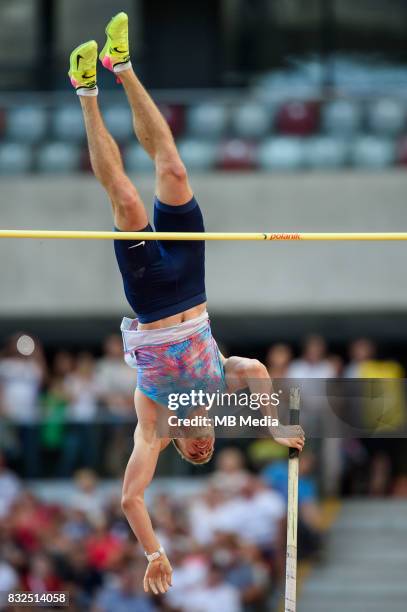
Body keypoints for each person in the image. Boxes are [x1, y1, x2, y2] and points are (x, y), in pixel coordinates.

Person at [69, 12, 304, 596]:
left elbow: (130, 496)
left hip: (151, 301)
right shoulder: (222, 391)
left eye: (191, 451)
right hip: (194, 286)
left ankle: (86, 90)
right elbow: (250, 368)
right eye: (209, 449)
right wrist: (273, 422)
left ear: (178, 442)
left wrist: (154, 552)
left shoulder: (153, 420)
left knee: (125, 199)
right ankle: (121, 65)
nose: (201, 445)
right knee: (171, 165)